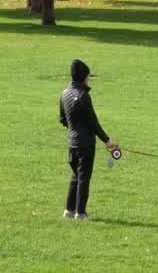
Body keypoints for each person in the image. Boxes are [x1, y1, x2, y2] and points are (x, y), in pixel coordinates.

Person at [59, 59, 118, 220]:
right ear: (83, 76)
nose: (89, 79)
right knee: (84, 178)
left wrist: (74, 129)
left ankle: (69, 211)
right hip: (85, 144)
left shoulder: (64, 93)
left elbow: (63, 119)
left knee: (75, 176)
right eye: (88, 76)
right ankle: (81, 213)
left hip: (72, 143)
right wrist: (108, 141)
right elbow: (93, 123)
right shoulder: (83, 96)